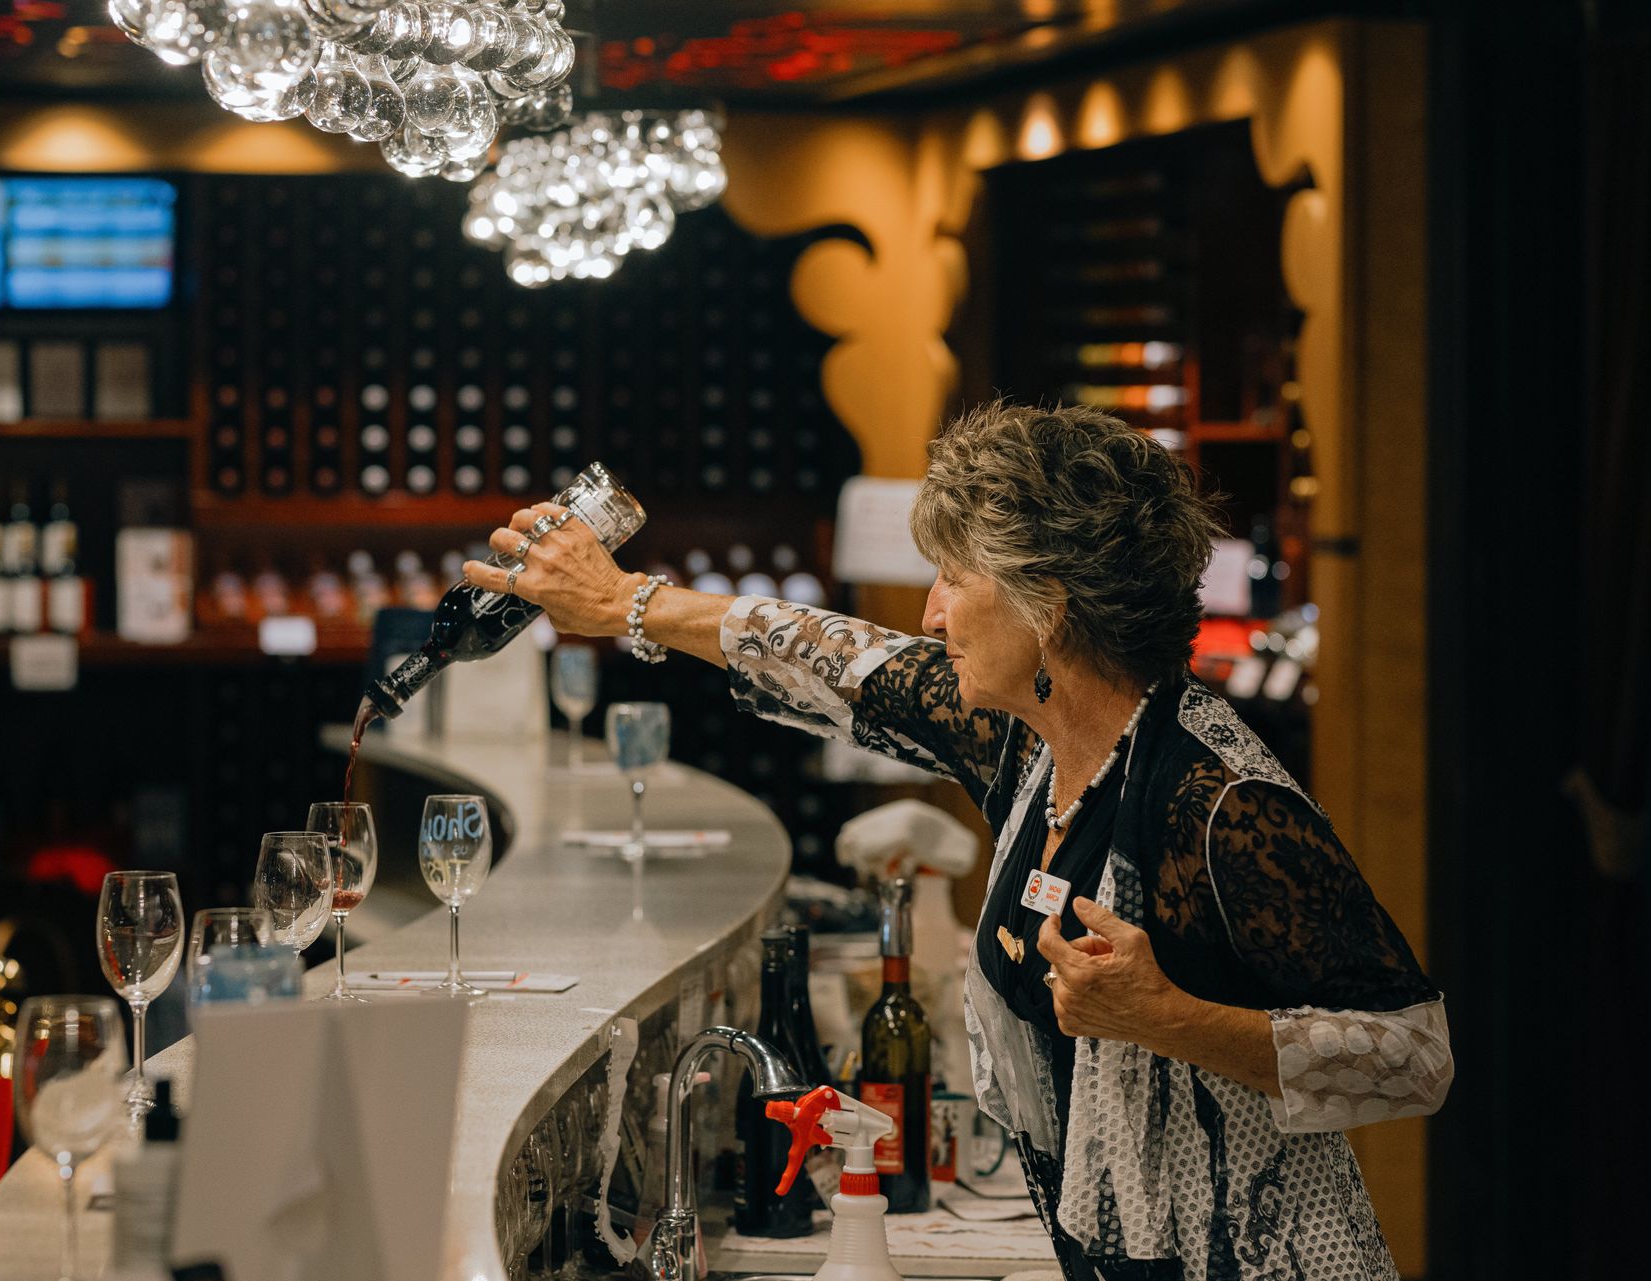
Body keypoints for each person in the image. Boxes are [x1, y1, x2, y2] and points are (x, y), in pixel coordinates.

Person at [466, 402, 1452, 1281]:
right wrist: (622, 603)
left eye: (951, 580)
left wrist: (1170, 1019)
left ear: (1047, 608)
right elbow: (843, 660)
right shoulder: (1031, 736)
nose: (930, 614)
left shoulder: (1218, 801)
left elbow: (1415, 1058)